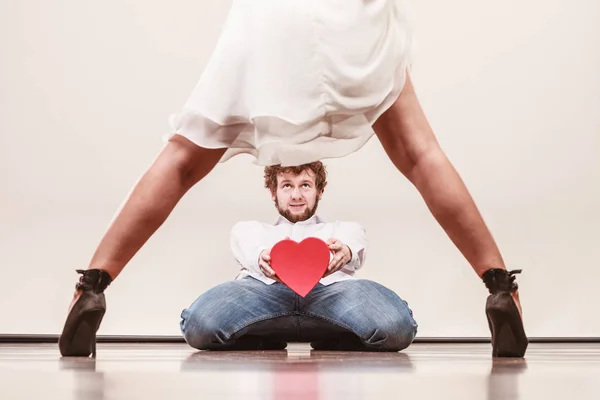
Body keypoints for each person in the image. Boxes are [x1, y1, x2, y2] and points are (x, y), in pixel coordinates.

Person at [58, 0, 527, 358]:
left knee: (183, 158)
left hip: (269, 16)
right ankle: (500, 286)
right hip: (350, 19)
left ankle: (93, 286)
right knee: (421, 155)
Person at [179, 162, 418, 351]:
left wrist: (345, 251)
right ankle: (262, 339)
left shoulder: (343, 227)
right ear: (273, 192)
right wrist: (262, 256)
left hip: (331, 294)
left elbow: (354, 241)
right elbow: (247, 244)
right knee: (198, 326)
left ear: (319, 191)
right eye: (287, 186)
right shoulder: (252, 229)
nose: (296, 195)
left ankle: (334, 339)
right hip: (264, 294)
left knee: (396, 328)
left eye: (305, 185)